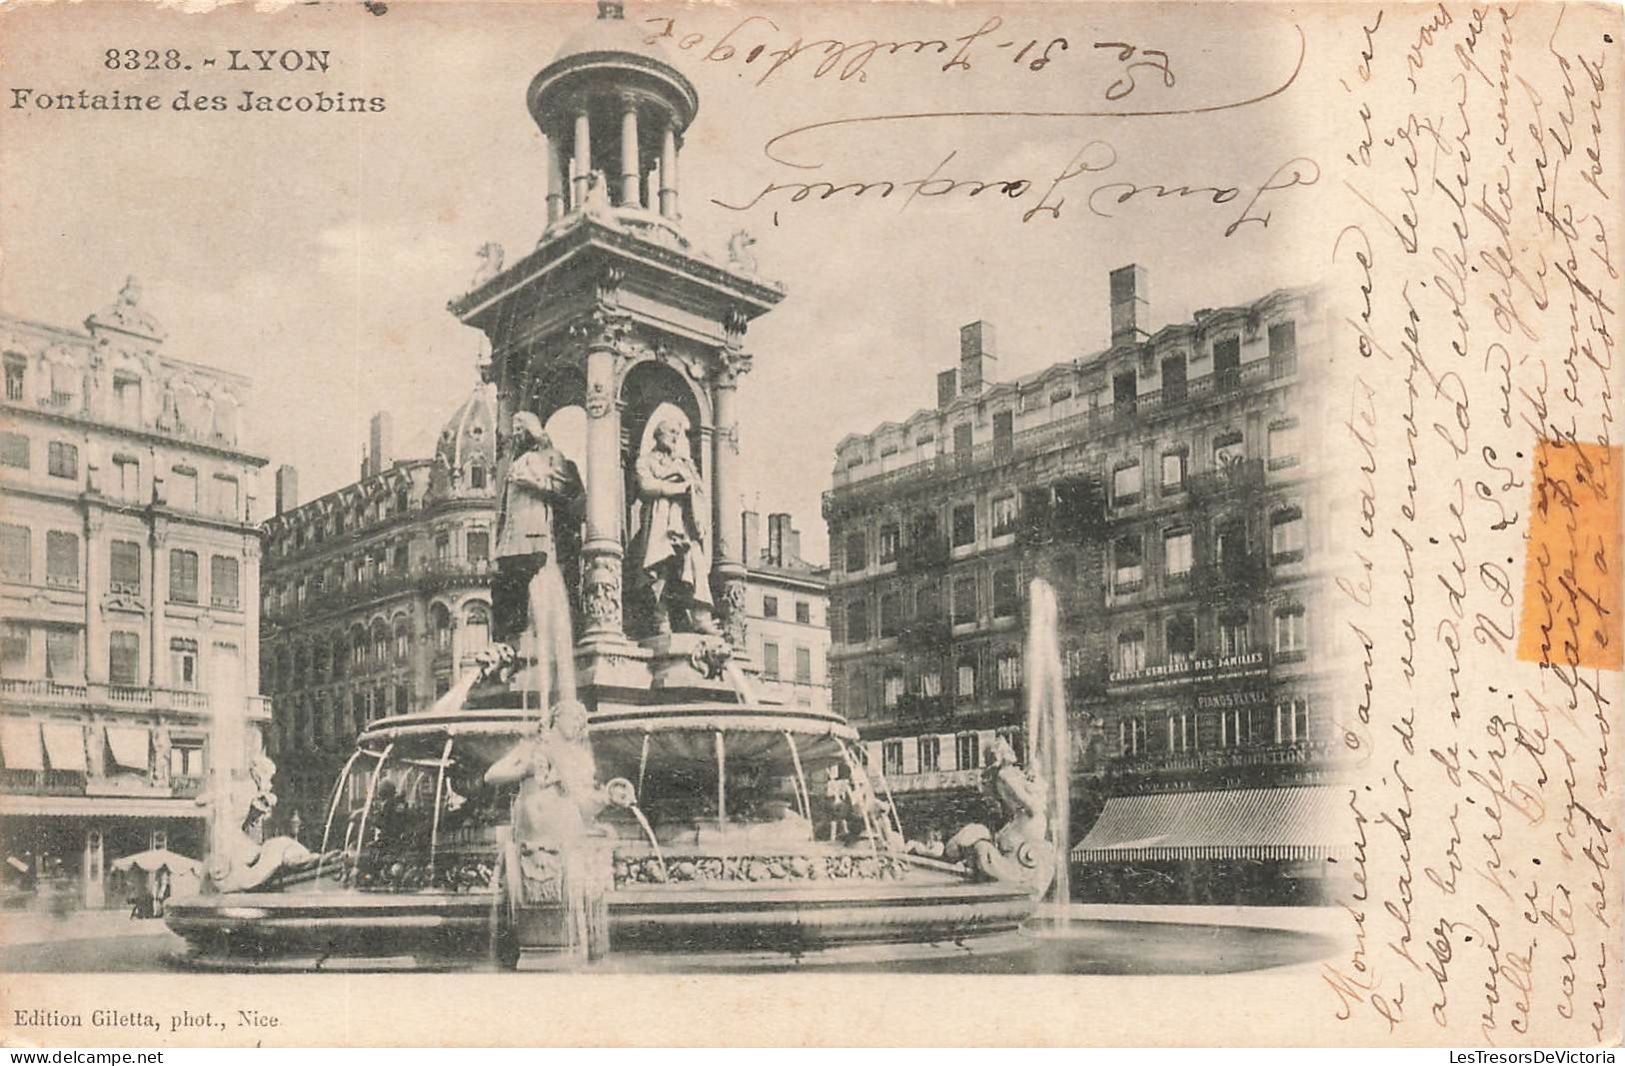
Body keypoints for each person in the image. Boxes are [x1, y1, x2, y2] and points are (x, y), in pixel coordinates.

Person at [492, 412, 583, 667]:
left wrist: (533, 482)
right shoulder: (518, 459)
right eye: (514, 430)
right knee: (508, 586)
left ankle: (527, 638)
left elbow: (568, 489)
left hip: (535, 534)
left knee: (531, 582)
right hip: (514, 536)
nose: (516, 435)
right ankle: (513, 640)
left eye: (520, 429)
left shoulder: (551, 457)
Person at [632, 415, 718, 636]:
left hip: (684, 524)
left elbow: (698, 488)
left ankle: (701, 617)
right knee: (660, 567)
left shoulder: (684, 462)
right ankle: (660, 620)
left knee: (695, 563)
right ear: (658, 435)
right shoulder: (645, 460)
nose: (675, 438)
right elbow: (645, 486)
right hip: (658, 524)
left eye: (677, 435)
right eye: (671, 432)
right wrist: (678, 487)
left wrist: (685, 485)